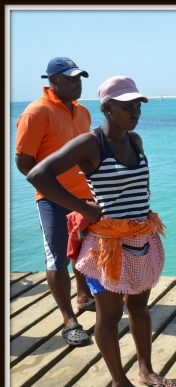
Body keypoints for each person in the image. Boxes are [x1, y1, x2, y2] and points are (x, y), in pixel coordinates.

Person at [26, 76, 176, 387]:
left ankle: (146, 370)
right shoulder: (90, 144)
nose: (134, 112)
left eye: (137, 105)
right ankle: (118, 384)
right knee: (108, 317)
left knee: (139, 307)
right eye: (126, 107)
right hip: (105, 247)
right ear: (107, 108)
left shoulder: (136, 140)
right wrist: (82, 207)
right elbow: (37, 174)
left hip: (140, 240)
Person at [15, 57, 95, 347]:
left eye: (80, 78)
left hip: (85, 195)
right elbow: (24, 163)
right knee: (58, 257)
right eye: (71, 79)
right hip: (52, 200)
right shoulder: (37, 112)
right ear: (53, 81)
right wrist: (55, 191)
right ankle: (69, 320)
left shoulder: (83, 111)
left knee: (86, 252)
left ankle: (84, 294)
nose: (77, 83)